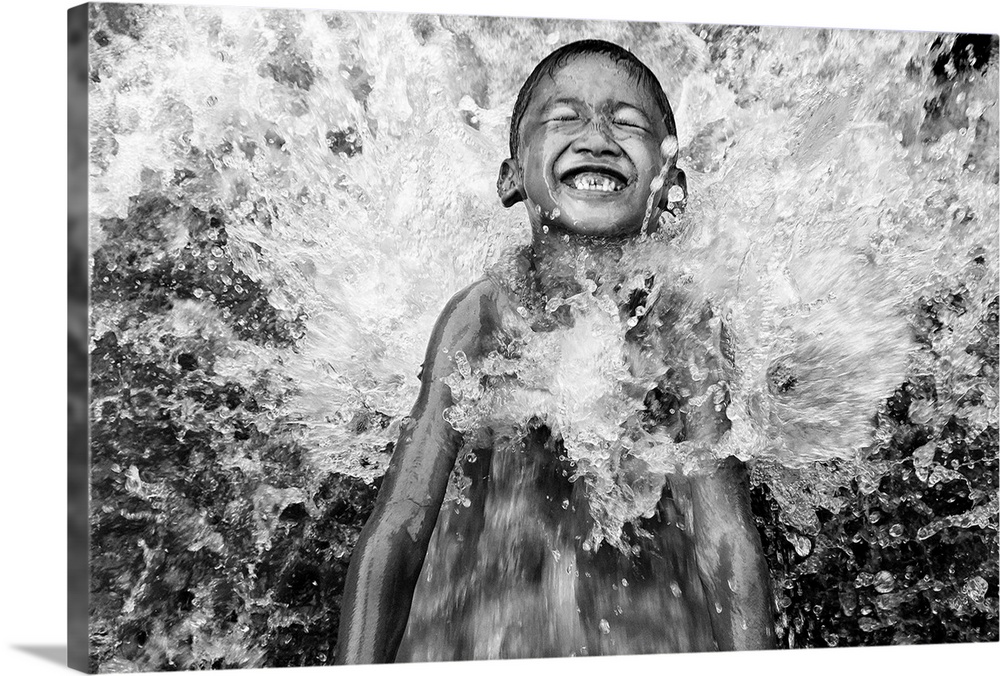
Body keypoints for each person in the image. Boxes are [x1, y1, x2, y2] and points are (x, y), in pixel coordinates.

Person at [335, 39, 773, 664]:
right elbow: (403, 523)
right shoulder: (480, 317)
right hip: (490, 607)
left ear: (670, 183)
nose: (597, 138)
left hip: (645, 618)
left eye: (628, 124)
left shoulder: (684, 324)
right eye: (564, 119)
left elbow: (725, 536)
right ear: (512, 177)